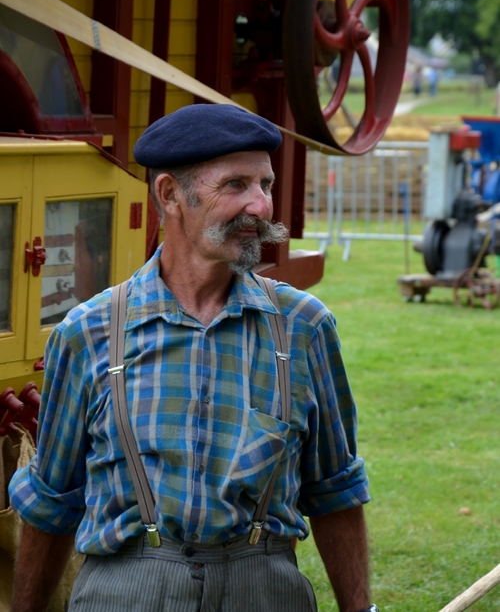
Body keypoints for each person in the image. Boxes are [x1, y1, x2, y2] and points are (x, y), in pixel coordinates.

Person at [9, 104, 373, 612]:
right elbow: (51, 504)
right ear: (170, 194)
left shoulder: (304, 327)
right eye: (236, 185)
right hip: (125, 590)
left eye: (265, 185)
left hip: (262, 589)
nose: (262, 206)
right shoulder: (88, 333)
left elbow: (336, 492)